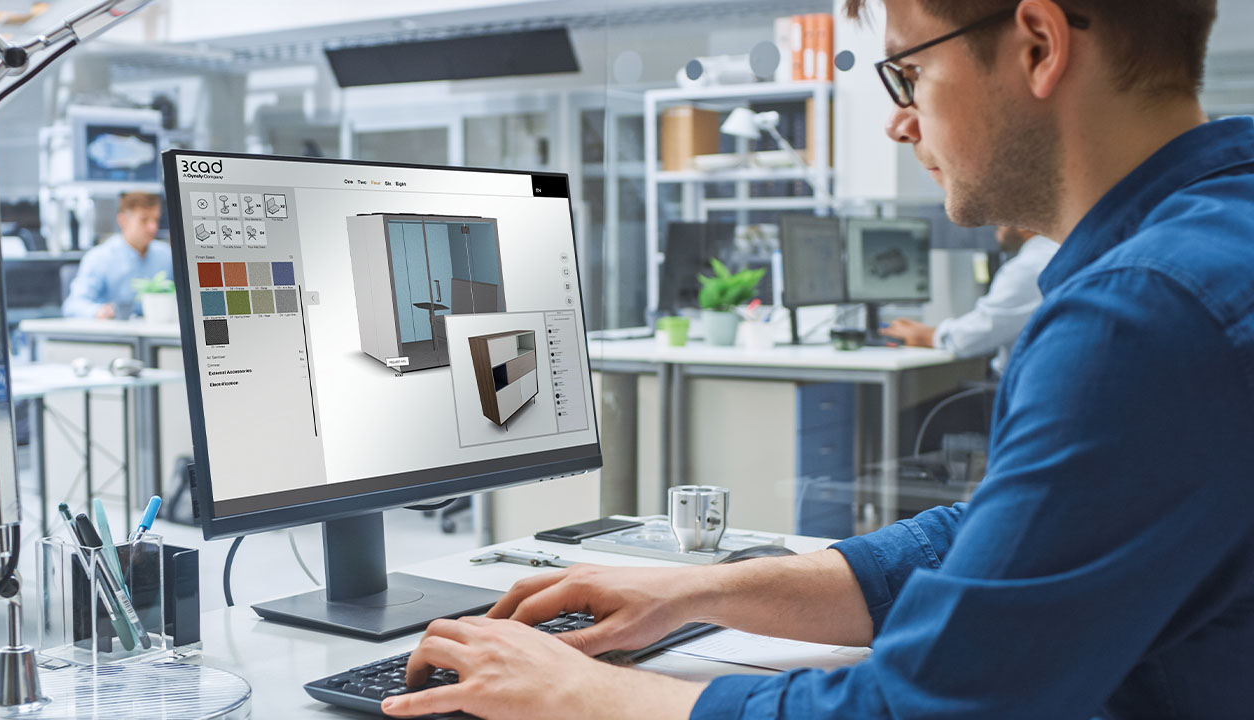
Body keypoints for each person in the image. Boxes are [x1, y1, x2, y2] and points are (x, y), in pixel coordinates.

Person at [385, 1, 1254, 718]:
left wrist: (592, 694)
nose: (898, 117)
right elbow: (1014, 539)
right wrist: (699, 593)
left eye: (908, 71)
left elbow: (931, 708)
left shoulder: (1144, 315)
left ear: (1037, 45)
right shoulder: (1217, 235)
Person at [880, 226, 1058, 373]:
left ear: (1022, 223)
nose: (995, 226)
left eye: (1002, 219)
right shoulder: (1054, 253)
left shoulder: (1027, 267)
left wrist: (928, 336)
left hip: (1022, 387)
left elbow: (979, 334)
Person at [62, 191, 172, 319]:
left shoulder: (166, 255)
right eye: (144, 220)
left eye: (156, 220)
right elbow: (72, 306)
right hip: (115, 336)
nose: (152, 227)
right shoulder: (99, 258)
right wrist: (99, 311)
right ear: (123, 220)